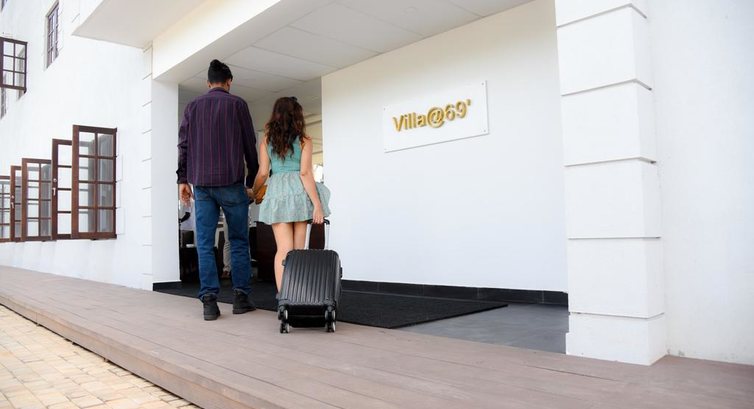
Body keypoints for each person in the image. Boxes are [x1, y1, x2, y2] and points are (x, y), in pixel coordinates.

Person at [177, 59, 259, 321]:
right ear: (229, 82)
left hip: (202, 185)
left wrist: (182, 179)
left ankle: (209, 302)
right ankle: (241, 298)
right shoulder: (238, 105)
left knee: (204, 243)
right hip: (232, 183)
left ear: (208, 83)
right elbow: (249, 144)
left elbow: (183, 145)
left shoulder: (192, 106)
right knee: (238, 241)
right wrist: (251, 181)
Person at [250, 97, 331, 291]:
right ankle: (297, 293)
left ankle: (283, 296)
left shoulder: (267, 140)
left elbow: (263, 173)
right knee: (298, 250)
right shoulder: (304, 140)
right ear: (297, 116)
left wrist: (254, 191)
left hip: (278, 192)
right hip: (299, 193)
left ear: (276, 115)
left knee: (283, 250)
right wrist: (317, 205)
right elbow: (305, 173)